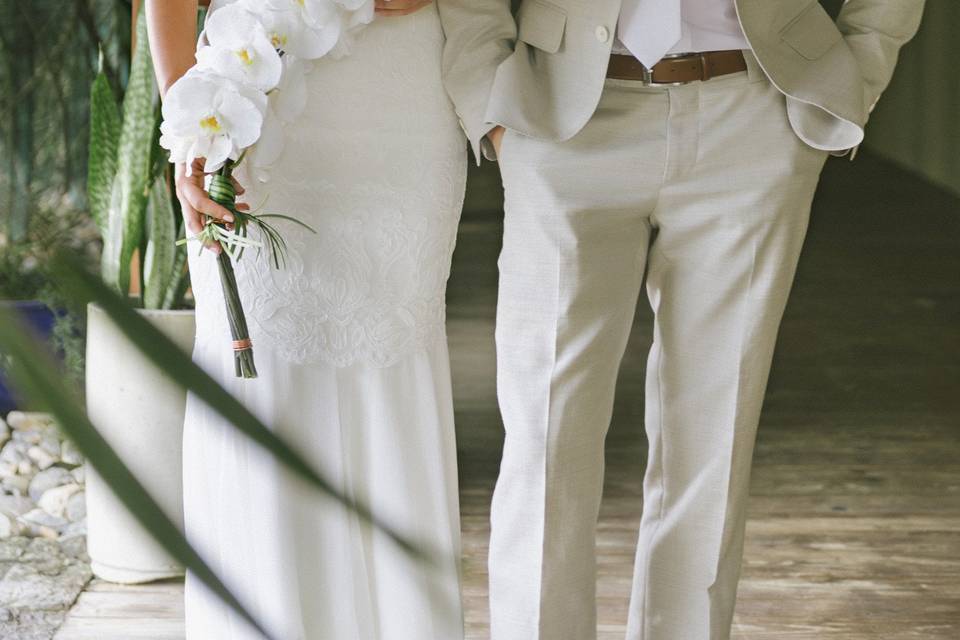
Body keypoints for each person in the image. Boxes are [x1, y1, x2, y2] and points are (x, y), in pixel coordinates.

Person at [438, 0, 925, 638]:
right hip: (564, 119)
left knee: (714, 432)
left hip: (753, 113)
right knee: (546, 427)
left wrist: (858, 73)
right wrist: (488, 101)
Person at [147, 1, 467, 638]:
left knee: (391, 356)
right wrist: (191, 129)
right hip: (256, 84)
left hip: (403, 100)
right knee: (264, 376)